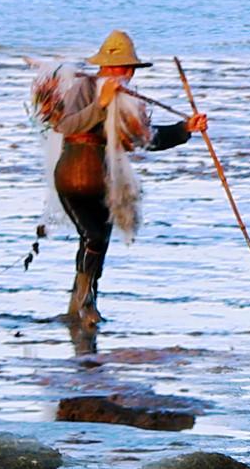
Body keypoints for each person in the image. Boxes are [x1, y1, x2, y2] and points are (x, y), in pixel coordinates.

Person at [31, 30, 206, 353]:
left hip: (103, 176)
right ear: (111, 68)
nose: (128, 74)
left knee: (96, 238)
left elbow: (143, 140)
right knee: (95, 236)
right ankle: (82, 307)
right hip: (75, 172)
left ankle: (82, 306)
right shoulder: (83, 87)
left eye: (130, 69)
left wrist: (185, 130)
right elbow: (66, 126)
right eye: (124, 68)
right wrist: (101, 104)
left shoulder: (125, 98)